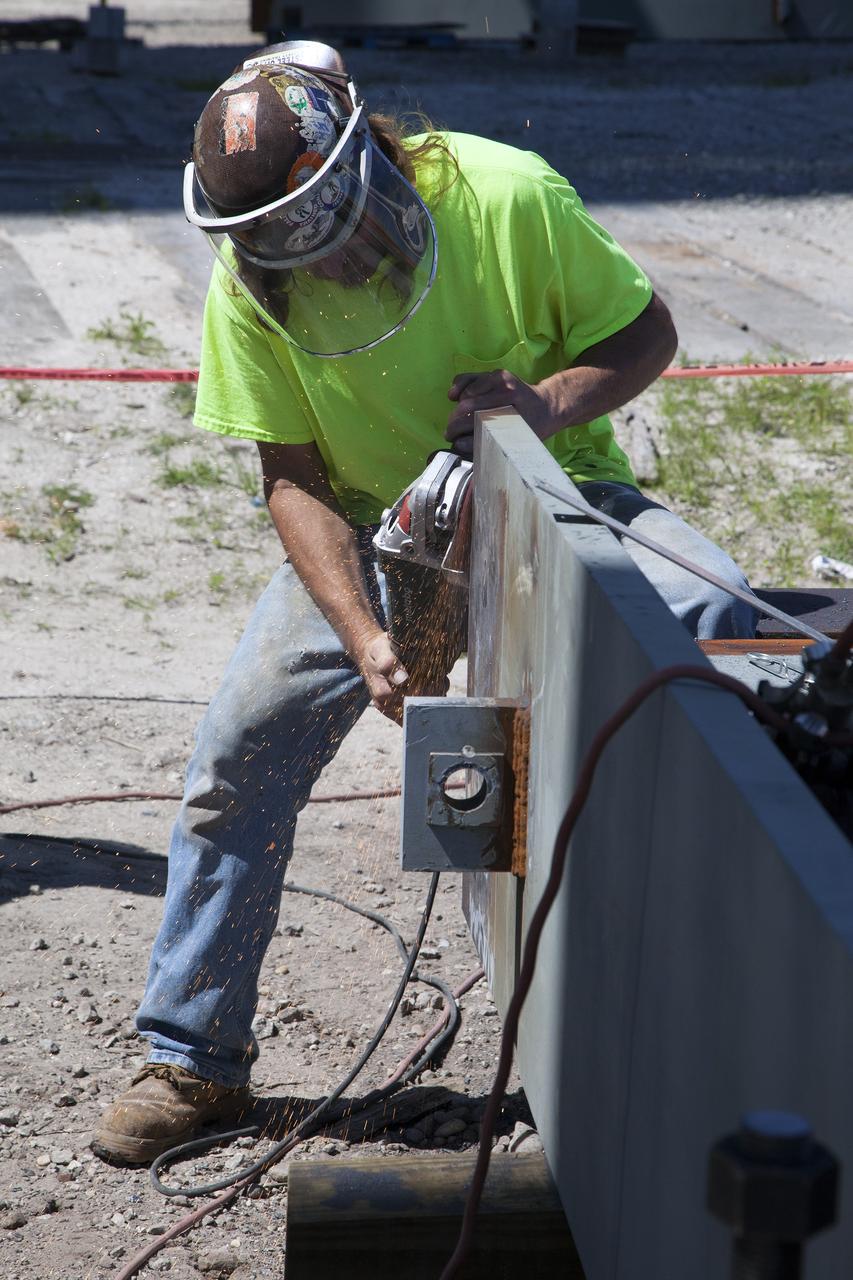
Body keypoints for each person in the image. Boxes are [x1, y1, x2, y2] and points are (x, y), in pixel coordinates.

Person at [91, 40, 754, 1164]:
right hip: (363, 519)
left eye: (334, 234)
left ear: (366, 162)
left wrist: (541, 404)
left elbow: (646, 333)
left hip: (553, 486)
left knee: (724, 621)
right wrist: (363, 637)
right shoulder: (248, 283)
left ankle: (736, 991)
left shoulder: (507, 194)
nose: (327, 265)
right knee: (236, 757)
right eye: (287, 250)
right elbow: (290, 475)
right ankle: (192, 1056)